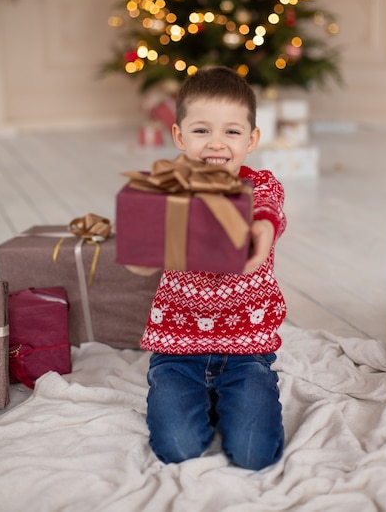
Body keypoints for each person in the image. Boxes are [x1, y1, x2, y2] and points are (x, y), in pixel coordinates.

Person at [134, 66, 287, 470]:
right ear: (180, 136)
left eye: (232, 132)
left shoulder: (262, 186)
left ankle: (235, 399)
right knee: (177, 448)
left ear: (252, 139)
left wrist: (259, 229)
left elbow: (267, 215)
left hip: (246, 350)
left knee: (255, 454)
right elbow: (139, 251)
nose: (216, 143)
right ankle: (199, 399)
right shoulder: (166, 187)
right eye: (202, 131)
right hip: (177, 350)